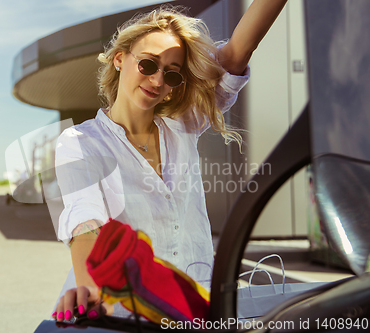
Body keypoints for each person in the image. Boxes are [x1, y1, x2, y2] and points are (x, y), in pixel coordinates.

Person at [52, 0, 288, 321]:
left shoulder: (183, 124)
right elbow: (85, 219)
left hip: (195, 305)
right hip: (126, 311)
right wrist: (90, 287)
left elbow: (235, 54)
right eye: (148, 64)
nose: (157, 80)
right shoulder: (79, 142)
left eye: (172, 75)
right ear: (120, 58)